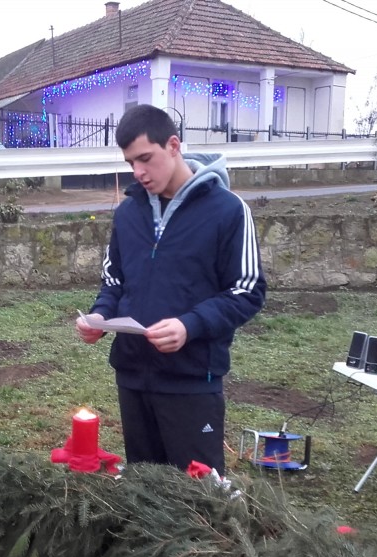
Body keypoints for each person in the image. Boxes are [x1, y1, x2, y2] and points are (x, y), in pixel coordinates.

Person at [75, 104, 266, 475]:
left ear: (174, 145)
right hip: (132, 377)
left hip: (191, 381)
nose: (138, 172)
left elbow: (247, 290)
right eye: (131, 162)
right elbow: (114, 280)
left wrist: (189, 325)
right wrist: (101, 315)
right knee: (146, 490)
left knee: (198, 496)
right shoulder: (127, 214)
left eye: (146, 158)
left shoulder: (228, 211)